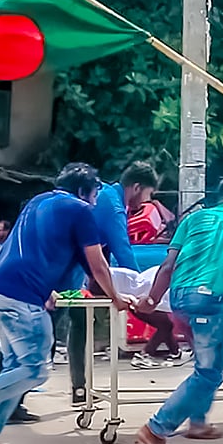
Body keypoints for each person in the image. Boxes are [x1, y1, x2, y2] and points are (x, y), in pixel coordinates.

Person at [0, 163, 132, 444]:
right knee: (35, 370)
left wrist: (49, 290)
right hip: (21, 296)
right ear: (84, 191)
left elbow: (33, 249)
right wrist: (118, 299)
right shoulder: (81, 210)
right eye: (95, 193)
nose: (97, 200)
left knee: (14, 369)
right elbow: (97, 265)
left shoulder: (38, 202)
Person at [131, 178, 223, 444]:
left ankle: (198, 423)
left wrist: (151, 301)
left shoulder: (195, 219)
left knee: (203, 367)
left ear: (221, 198)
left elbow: (168, 267)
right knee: (211, 373)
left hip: (181, 299)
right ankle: (155, 431)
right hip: (214, 301)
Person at [66, 161, 157, 405]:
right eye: (148, 195)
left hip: (74, 268)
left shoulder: (107, 196)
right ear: (137, 187)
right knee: (47, 332)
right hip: (69, 272)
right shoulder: (113, 207)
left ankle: (79, 387)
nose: (146, 202)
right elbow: (123, 252)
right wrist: (143, 286)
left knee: (79, 323)